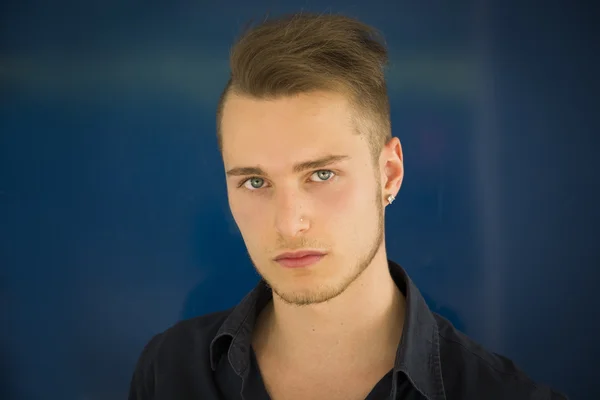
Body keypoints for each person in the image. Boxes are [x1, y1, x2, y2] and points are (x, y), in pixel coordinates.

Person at [128, 12, 567, 400]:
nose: (290, 222)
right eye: (255, 181)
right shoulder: (169, 372)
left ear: (389, 174)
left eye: (321, 175)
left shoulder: (501, 394)